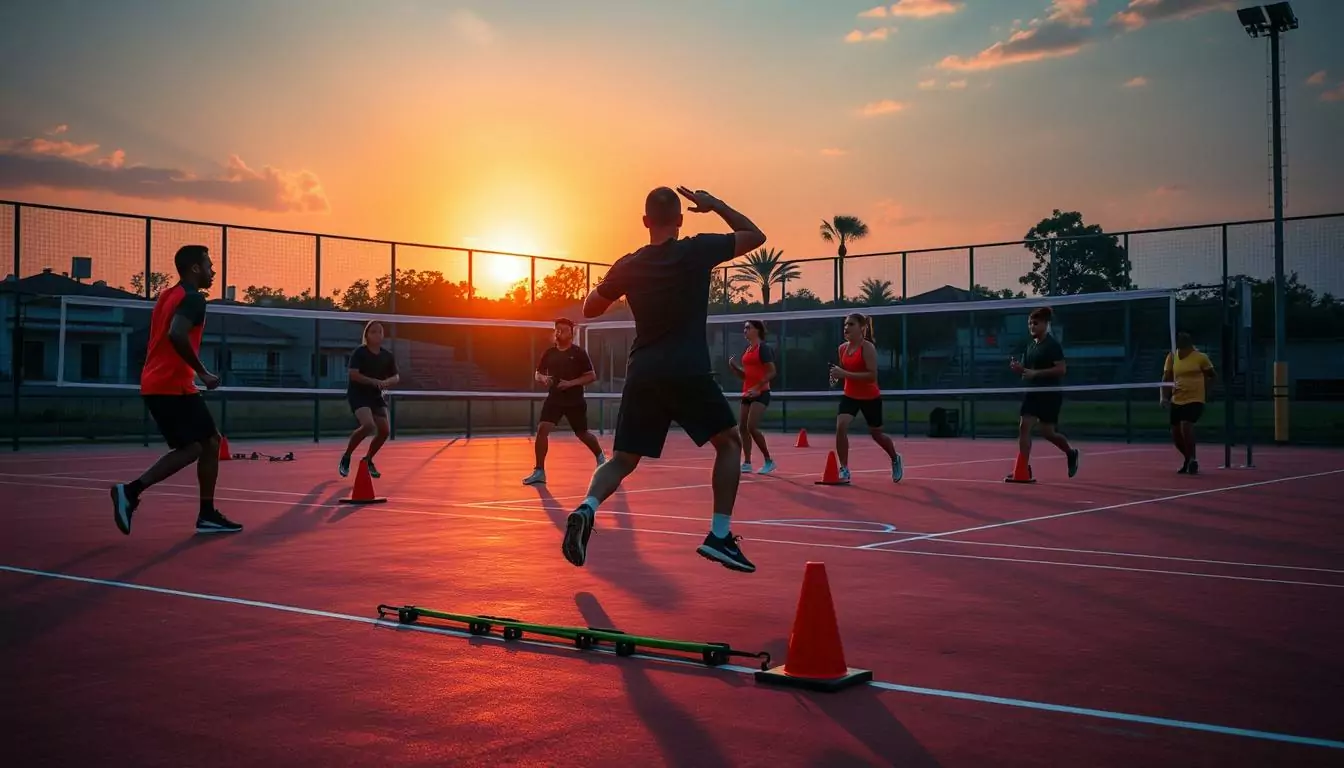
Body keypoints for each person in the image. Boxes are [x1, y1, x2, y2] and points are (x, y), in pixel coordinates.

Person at [560, 186, 766, 573]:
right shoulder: (697, 249)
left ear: (645, 222)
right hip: (686, 368)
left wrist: (614, 279)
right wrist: (717, 205)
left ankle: (587, 507)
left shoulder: (630, 264)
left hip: (644, 371)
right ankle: (720, 535)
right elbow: (756, 235)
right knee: (729, 443)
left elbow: (589, 309)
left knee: (622, 459)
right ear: (681, 219)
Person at [109, 244, 242, 535]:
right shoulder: (193, 300)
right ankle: (131, 491)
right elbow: (176, 334)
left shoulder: (169, 295)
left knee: (210, 442)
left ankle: (206, 513)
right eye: (209, 266)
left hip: (170, 384)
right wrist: (203, 372)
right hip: (170, 385)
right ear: (195, 268)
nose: (212, 271)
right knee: (194, 447)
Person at [523, 318, 606, 485]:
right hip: (554, 399)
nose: (560, 332)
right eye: (558, 329)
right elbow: (537, 373)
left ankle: (601, 458)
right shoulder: (549, 353)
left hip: (574, 400)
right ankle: (539, 471)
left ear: (571, 333)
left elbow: (591, 376)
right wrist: (543, 378)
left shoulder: (579, 353)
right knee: (542, 430)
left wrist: (570, 383)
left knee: (582, 434)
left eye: (564, 330)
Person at [827, 312, 903, 483]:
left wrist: (844, 373)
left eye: (851, 324)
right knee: (841, 426)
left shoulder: (867, 348)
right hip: (850, 396)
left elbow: (871, 376)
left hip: (870, 397)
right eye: (845, 324)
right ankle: (844, 469)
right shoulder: (842, 349)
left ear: (862, 328)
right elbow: (845, 373)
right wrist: (836, 376)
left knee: (877, 434)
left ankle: (894, 457)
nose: (846, 328)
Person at [1007, 306, 1080, 482]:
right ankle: (1023, 468)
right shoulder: (1031, 346)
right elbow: (1027, 371)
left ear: (1046, 324)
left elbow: (1061, 369)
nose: (1032, 326)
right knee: (1024, 427)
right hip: (1032, 393)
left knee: (1048, 433)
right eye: (1030, 323)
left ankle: (1071, 453)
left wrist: (1036, 374)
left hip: (1049, 394)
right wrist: (1019, 369)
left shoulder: (1052, 345)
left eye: (1036, 323)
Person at [340, 320, 398, 479]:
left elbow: (396, 376)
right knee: (368, 425)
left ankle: (368, 459)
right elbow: (353, 374)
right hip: (358, 394)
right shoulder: (360, 353)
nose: (377, 335)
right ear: (367, 335)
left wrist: (387, 382)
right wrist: (373, 381)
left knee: (385, 431)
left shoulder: (387, 356)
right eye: (373, 332)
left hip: (375, 396)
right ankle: (346, 456)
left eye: (380, 332)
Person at [1161, 331, 1215, 474]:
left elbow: (1212, 376)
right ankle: (1189, 458)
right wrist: (1164, 397)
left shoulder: (1200, 358)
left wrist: (1206, 391)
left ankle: (1192, 458)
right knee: (1176, 433)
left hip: (1195, 398)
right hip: (1177, 399)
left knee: (1186, 425)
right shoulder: (1172, 357)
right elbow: (1166, 378)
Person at [727, 319, 777, 475]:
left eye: (748, 328)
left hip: (761, 393)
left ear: (757, 330)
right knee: (742, 427)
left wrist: (757, 388)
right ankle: (747, 462)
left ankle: (769, 461)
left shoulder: (763, 348)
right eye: (744, 328)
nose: (745, 330)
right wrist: (735, 368)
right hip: (748, 392)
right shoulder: (748, 350)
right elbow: (746, 376)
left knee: (751, 427)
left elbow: (771, 372)